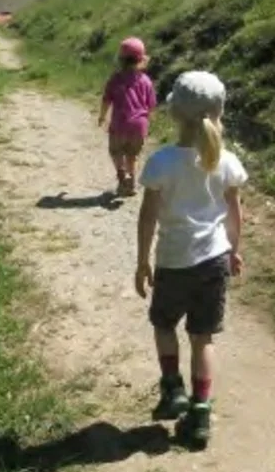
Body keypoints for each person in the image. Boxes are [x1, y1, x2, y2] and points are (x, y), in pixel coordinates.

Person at [134, 70, 247, 449]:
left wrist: (142, 261)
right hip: (214, 262)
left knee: (164, 324)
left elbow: (147, 217)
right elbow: (234, 214)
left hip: (173, 261)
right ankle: (200, 414)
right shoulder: (226, 161)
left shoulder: (161, 162)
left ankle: (172, 389)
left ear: (173, 113)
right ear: (219, 113)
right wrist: (234, 250)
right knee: (203, 338)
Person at [98, 37, 157, 197]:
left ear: (121, 59)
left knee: (116, 151)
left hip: (119, 124)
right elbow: (151, 105)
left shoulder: (115, 79)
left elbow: (106, 100)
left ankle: (121, 175)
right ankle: (131, 182)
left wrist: (102, 117)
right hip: (139, 125)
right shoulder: (146, 81)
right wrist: (148, 122)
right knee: (133, 155)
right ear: (141, 59)